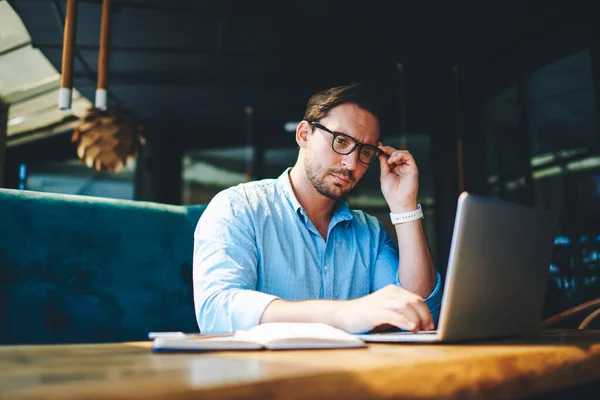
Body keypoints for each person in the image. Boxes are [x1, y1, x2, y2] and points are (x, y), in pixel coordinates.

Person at [193, 83, 442, 334]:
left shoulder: (370, 232)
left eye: (365, 151)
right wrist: (343, 314)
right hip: (268, 372)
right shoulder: (238, 208)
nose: (351, 163)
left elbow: (421, 314)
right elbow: (216, 312)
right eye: (341, 141)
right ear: (304, 135)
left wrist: (405, 207)